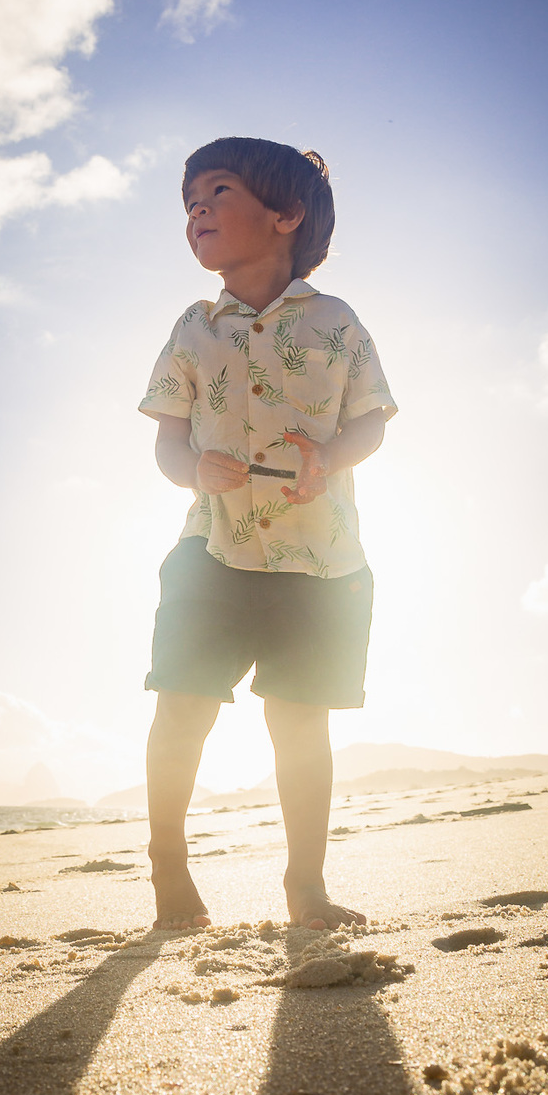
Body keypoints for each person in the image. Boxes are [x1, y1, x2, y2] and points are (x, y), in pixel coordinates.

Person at [139, 136, 397, 931]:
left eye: (218, 192)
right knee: (183, 708)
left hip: (319, 562)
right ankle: (168, 874)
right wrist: (193, 471)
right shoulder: (193, 327)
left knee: (299, 721)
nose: (198, 211)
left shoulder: (337, 323)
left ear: (286, 215)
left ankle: (306, 887)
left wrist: (330, 454)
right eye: (190, 202)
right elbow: (166, 441)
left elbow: (371, 425)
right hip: (211, 549)